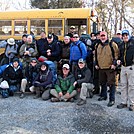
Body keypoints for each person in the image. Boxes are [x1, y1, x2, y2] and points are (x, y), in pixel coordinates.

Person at [95, 31, 119, 107]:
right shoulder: (97, 45)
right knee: (102, 83)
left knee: (111, 84)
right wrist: (96, 64)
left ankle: (112, 100)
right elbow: (95, 56)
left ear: (107, 36)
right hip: (101, 67)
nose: (102, 37)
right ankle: (103, 95)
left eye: (104, 36)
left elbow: (117, 55)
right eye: (101, 36)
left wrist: (114, 64)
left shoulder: (112, 44)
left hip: (110, 68)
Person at [117, 30, 134, 111]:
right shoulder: (121, 45)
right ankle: (124, 102)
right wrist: (119, 60)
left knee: (131, 86)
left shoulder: (133, 44)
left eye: (126, 35)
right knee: (123, 85)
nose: (125, 37)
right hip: (123, 67)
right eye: (123, 35)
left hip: (131, 66)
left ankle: (132, 103)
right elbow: (119, 55)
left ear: (129, 35)